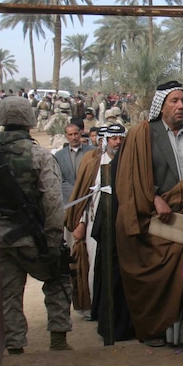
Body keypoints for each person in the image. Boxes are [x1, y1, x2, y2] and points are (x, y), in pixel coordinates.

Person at [115, 80, 183, 347]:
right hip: (159, 219)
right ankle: (159, 329)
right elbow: (130, 178)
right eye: (174, 101)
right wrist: (154, 197)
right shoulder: (141, 134)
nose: (181, 106)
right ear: (162, 105)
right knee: (159, 272)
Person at [0, 96, 74, 354]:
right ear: (29, 121)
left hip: (0, 239)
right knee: (59, 278)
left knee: (9, 295)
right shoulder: (39, 155)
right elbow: (52, 202)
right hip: (33, 237)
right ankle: (59, 341)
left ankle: (15, 348)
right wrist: (53, 242)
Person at [65, 123, 127, 317]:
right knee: (96, 266)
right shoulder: (94, 163)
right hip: (95, 223)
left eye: (120, 139)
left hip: (123, 224)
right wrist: (81, 222)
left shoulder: (128, 162)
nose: (117, 142)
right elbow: (84, 195)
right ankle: (97, 310)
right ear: (105, 140)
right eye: (113, 139)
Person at [53, 121, 94, 204]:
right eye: (70, 135)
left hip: (90, 197)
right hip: (68, 199)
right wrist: (75, 192)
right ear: (66, 136)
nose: (73, 137)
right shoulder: (59, 155)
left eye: (76, 134)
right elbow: (60, 179)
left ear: (80, 133)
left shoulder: (93, 151)